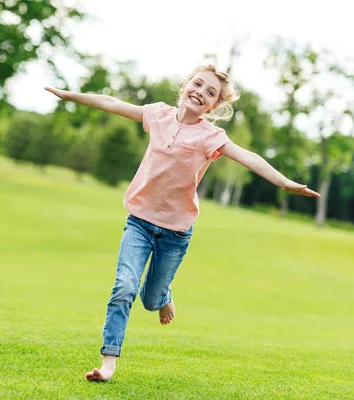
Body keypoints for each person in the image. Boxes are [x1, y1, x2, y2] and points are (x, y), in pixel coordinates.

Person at [44, 64, 320, 382]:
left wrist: (285, 183)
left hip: (175, 232)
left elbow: (249, 157)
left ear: (215, 106)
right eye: (198, 84)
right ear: (185, 85)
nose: (201, 92)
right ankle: (108, 363)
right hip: (140, 222)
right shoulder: (157, 115)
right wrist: (68, 95)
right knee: (124, 287)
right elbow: (111, 103)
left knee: (150, 299)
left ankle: (163, 296)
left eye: (210, 93)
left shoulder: (210, 136)